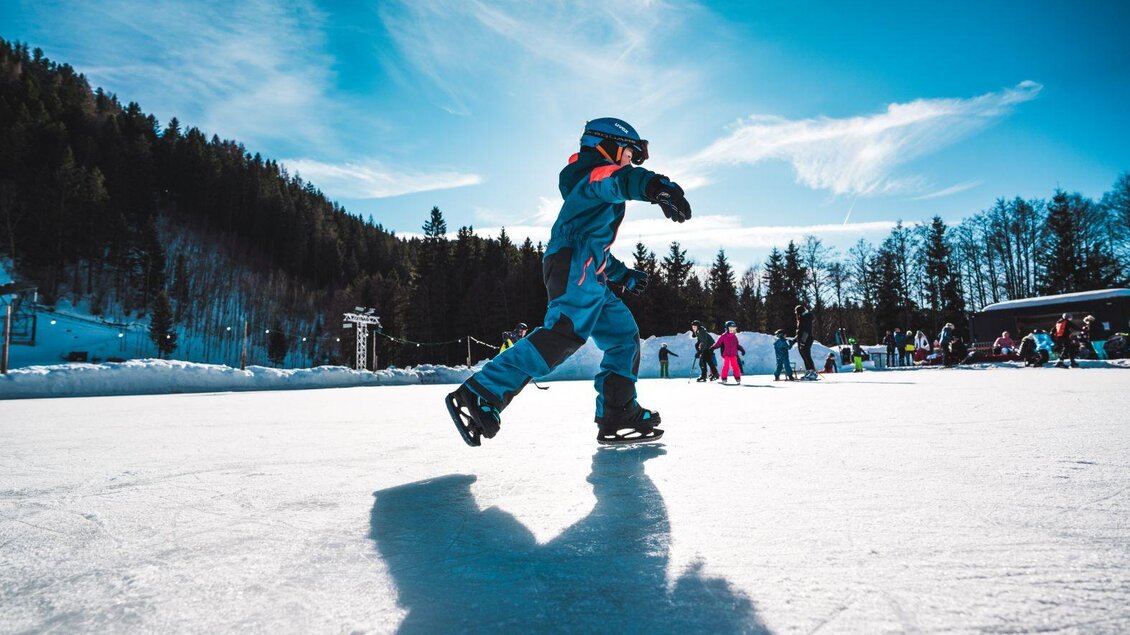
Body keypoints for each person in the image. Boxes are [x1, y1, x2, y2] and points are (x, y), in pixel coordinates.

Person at [444, 117, 692, 447]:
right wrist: (655, 186)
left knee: (622, 337)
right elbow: (619, 180)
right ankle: (482, 390)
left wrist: (624, 276)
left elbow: (595, 246)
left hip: (589, 267)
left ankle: (617, 412)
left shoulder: (592, 188)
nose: (632, 161)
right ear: (608, 147)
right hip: (575, 263)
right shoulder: (595, 174)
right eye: (630, 154)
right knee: (563, 333)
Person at [793, 305, 817, 380]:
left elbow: (806, 330)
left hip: (806, 339)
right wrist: (794, 340)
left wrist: (803, 341)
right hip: (802, 340)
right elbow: (800, 332)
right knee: (804, 356)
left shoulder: (806, 318)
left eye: (796, 312)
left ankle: (812, 372)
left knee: (807, 355)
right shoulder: (802, 318)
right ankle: (809, 371)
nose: (796, 314)